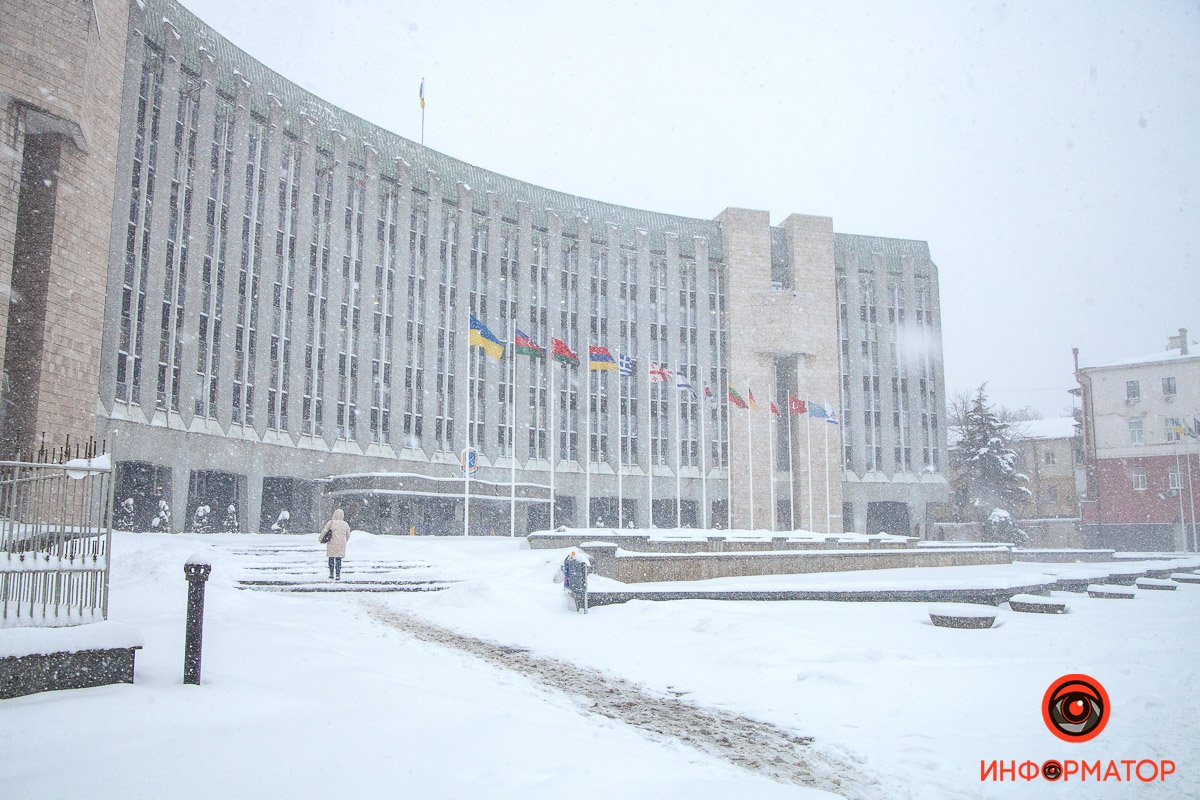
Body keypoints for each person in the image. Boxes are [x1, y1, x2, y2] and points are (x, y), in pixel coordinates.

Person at [320, 509, 351, 580]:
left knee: (331, 558)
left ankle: (331, 573)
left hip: (331, 543)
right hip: (341, 544)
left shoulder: (331, 522)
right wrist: (344, 540)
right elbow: (348, 535)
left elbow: (324, 531)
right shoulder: (345, 524)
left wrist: (320, 539)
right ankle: (338, 574)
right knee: (338, 559)